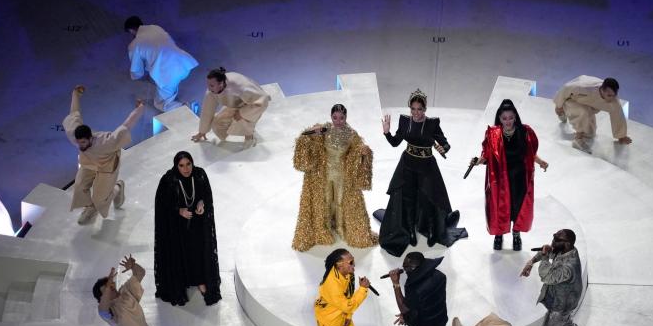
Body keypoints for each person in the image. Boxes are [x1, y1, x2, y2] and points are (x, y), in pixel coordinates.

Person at [376, 88, 466, 256]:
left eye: (420, 109)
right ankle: (410, 230)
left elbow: (445, 144)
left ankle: (432, 230)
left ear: (425, 109)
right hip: (407, 165)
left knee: (428, 199)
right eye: (413, 109)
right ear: (410, 108)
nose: (416, 113)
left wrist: (442, 148)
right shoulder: (405, 121)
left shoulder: (432, 124)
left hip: (427, 167)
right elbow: (395, 143)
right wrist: (387, 133)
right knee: (408, 199)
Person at [521, 229, 601, 326]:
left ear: (567, 243)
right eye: (554, 238)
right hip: (563, 301)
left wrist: (543, 257)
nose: (552, 242)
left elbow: (547, 276)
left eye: (557, 240)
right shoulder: (567, 250)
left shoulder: (569, 266)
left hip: (561, 305)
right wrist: (531, 262)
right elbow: (550, 253)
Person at [291, 103, 378, 251]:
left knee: (339, 201)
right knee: (324, 200)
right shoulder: (325, 129)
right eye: (335, 117)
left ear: (346, 117)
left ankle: (340, 228)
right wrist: (311, 132)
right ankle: (323, 229)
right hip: (324, 174)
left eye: (341, 118)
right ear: (331, 117)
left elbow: (358, 149)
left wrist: (364, 152)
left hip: (342, 175)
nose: (338, 121)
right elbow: (304, 139)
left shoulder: (351, 133)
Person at [473, 99, 548, 251]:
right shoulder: (493, 134)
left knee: (518, 207)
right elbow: (486, 155)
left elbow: (530, 154)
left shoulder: (525, 132)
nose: (508, 121)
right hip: (500, 179)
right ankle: (499, 235)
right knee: (500, 207)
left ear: (516, 117)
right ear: (499, 118)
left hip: (519, 179)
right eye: (504, 118)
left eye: (511, 118)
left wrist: (540, 162)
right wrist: (478, 161)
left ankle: (516, 234)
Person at [64, 85, 144, 225]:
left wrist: (139, 108)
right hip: (89, 162)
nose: (80, 146)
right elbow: (74, 113)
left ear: (90, 138)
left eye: (83, 142)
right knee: (79, 186)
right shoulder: (74, 134)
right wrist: (75, 94)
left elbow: (127, 125)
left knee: (100, 198)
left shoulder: (106, 142)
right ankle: (90, 208)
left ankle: (118, 188)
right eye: (78, 143)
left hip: (107, 164)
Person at [154, 151, 221, 306]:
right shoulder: (169, 180)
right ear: (176, 166)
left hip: (197, 224)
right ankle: (182, 281)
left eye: (188, 164)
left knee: (198, 252)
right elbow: (162, 205)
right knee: (181, 254)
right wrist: (179, 211)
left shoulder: (199, 175)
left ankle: (200, 280)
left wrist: (201, 204)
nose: (186, 169)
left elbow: (207, 195)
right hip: (177, 228)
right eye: (181, 165)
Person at [124, 16, 198, 112]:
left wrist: (136, 76)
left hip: (169, 75)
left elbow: (136, 70)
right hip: (184, 64)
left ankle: (188, 108)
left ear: (131, 30)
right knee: (166, 81)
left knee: (160, 104)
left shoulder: (134, 45)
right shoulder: (155, 28)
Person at [191, 67, 271, 146]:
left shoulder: (239, 85)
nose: (208, 88)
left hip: (251, 104)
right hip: (235, 105)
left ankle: (249, 137)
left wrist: (242, 113)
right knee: (217, 123)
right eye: (208, 84)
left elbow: (262, 100)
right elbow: (207, 111)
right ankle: (245, 127)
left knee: (241, 119)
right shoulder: (211, 91)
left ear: (221, 83)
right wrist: (202, 131)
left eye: (211, 85)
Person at [553, 75, 632, 149]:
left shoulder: (613, 100)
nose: (612, 98)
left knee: (590, 134)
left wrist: (621, 136)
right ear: (602, 90)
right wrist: (558, 106)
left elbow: (618, 116)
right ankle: (578, 139)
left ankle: (567, 115)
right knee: (583, 112)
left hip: (587, 103)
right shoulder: (584, 88)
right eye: (609, 95)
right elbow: (566, 88)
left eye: (614, 95)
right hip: (572, 100)